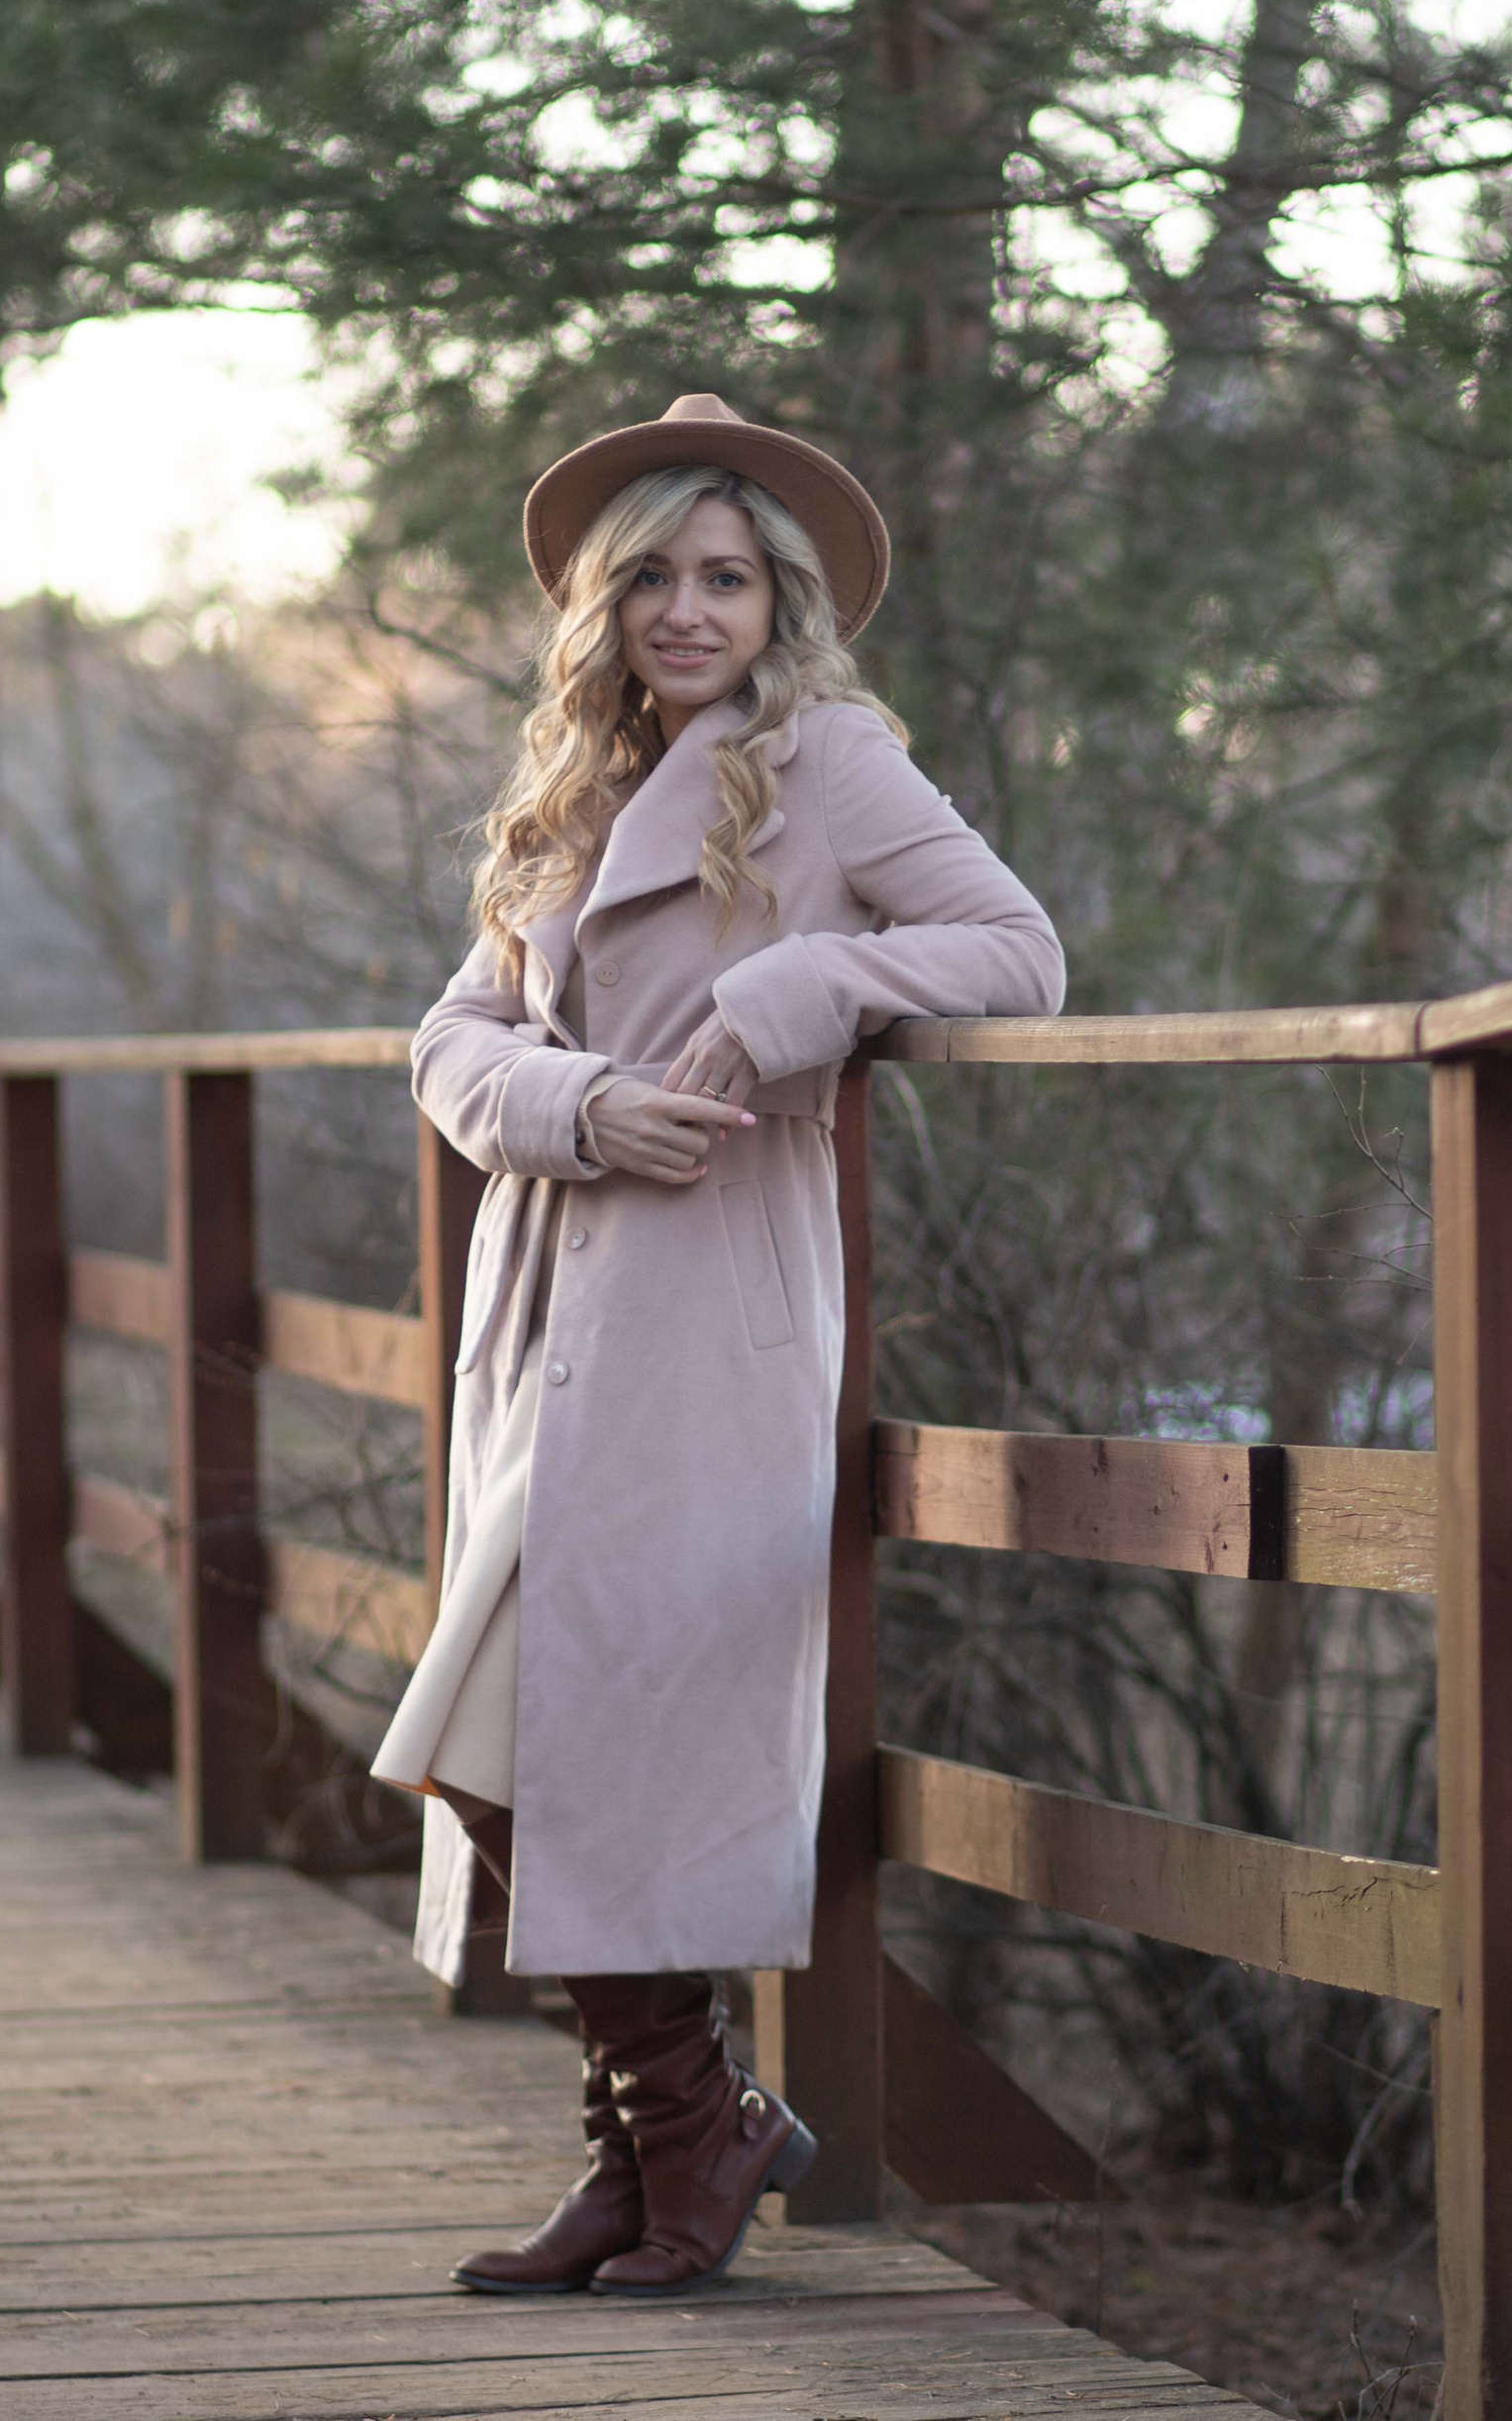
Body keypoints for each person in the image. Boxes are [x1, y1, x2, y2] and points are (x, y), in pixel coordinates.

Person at [371, 395, 1065, 2297]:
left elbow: (1020, 949)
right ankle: (672, 2133)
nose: (690, 611)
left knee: (559, 1732)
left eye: (728, 578)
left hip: (708, 1337)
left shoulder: (826, 765)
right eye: (656, 578)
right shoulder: (571, 786)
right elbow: (450, 1041)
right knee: (500, 1744)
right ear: (605, 605)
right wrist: (577, 1106)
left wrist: (800, 991)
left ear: (783, 604)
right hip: (545, 1322)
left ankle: (680, 2134)